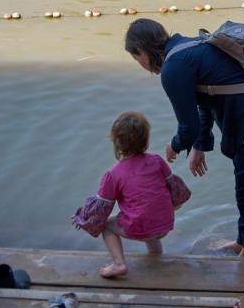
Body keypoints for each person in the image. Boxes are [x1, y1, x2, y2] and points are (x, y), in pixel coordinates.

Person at [124, 18, 244, 257]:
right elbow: (205, 100)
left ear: (141, 50)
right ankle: (243, 242)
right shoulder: (191, 46)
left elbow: (187, 127)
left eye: (136, 58)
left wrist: (176, 145)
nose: (140, 64)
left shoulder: (173, 67)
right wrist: (200, 146)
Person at [72, 111, 191, 278]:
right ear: (145, 139)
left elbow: (100, 211)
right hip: (165, 224)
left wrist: (83, 216)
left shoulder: (113, 174)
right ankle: (156, 258)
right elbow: (175, 189)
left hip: (140, 228)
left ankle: (119, 264)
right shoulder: (157, 160)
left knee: (106, 225)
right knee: (149, 212)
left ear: (117, 142)